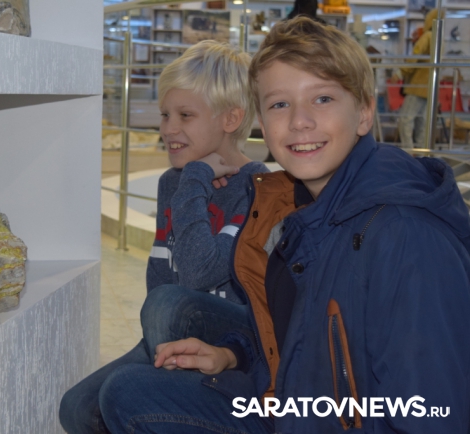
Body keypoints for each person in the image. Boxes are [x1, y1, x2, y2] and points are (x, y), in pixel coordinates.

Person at [99, 16, 470, 433]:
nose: (299, 121)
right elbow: (298, 335)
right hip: (291, 402)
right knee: (126, 392)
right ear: (261, 120)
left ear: (365, 113)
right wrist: (234, 354)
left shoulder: (405, 235)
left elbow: (435, 413)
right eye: (279, 104)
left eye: (322, 99)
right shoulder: (302, 208)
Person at [59, 40, 269, 433]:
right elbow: (161, 275)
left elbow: (198, 274)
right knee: (77, 408)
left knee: (168, 305)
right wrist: (189, 181)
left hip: (235, 338)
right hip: (172, 331)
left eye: (185, 115)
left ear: (231, 119)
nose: (168, 128)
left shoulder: (258, 187)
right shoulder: (172, 182)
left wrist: (195, 179)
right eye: (165, 114)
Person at [396, 9, 442, 148]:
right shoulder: (439, 39)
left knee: (405, 119)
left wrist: (400, 73)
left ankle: (408, 151)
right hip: (430, 88)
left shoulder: (427, 37)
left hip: (417, 86)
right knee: (422, 123)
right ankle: (422, 153)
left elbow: (414, 57)